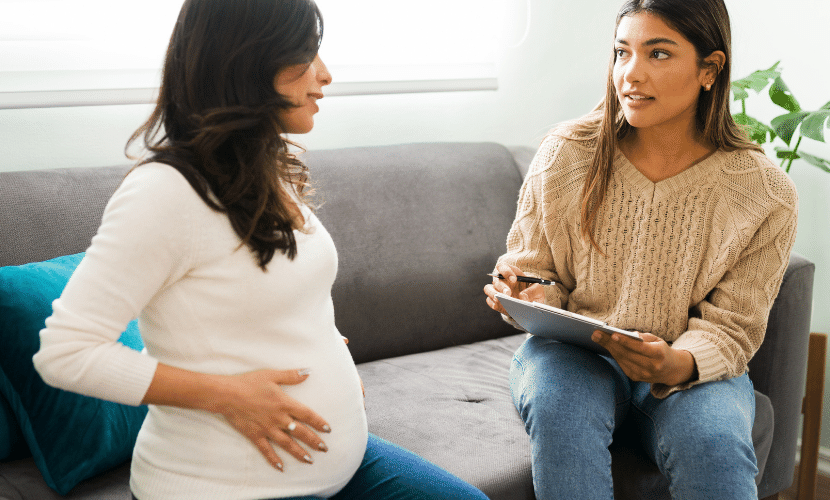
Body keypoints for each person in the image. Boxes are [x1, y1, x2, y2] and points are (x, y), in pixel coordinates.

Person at [32, 1, 490, 499]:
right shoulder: (166, 192)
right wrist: (228, 396)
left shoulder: (265, 169)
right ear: (248, 64)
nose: (326, 75)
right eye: (306, 56)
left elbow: (278, 292)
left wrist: (326, 344)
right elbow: (66, 353)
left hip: (340, 464)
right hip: (223, 486)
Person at [483, 0, 798, 498]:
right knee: (560, 406)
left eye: (658, 54)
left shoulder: (764, 192)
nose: (630, 73)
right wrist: (532, 295)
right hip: (571, 357)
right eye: (621, 52)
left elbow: (735, 328)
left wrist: (674, 365)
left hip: (683, 368)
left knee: (714, 441)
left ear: (710, 70)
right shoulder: (566, 154)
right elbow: (531, 268)